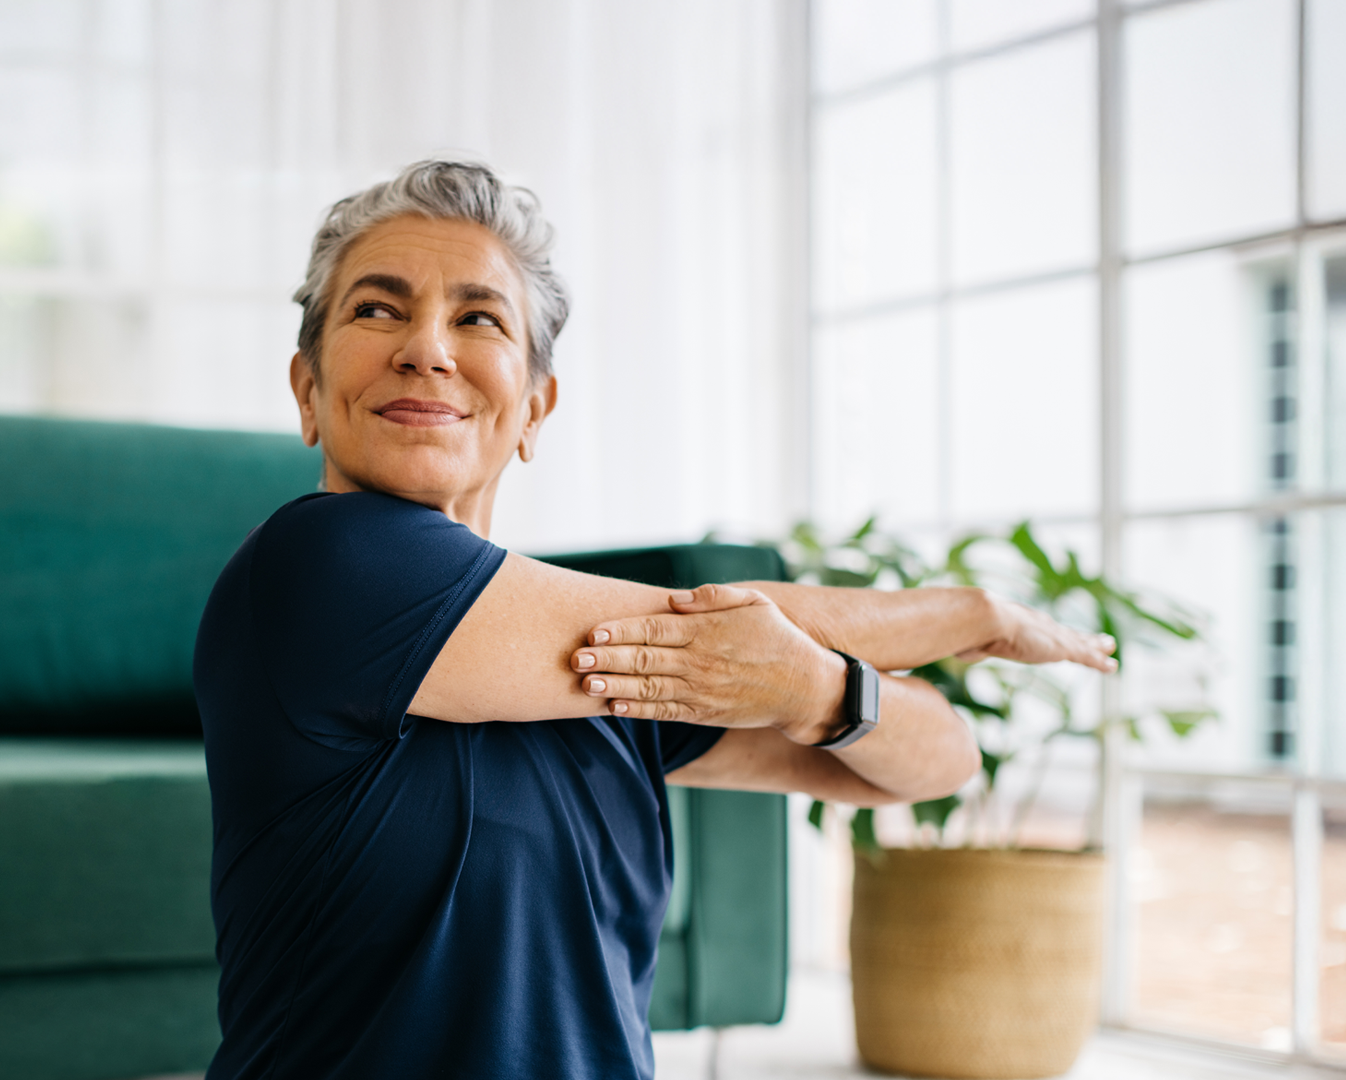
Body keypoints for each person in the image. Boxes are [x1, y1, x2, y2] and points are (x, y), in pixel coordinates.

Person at [193, 160, 1116, 1080]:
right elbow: (702, 625)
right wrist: (969, 614)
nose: (426, 348)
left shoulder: (612, 659)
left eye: (479, 317)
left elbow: (934, 763)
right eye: (378, 310)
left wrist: (820, 690)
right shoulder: (315, 565)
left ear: (534, 410)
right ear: (308, 390)